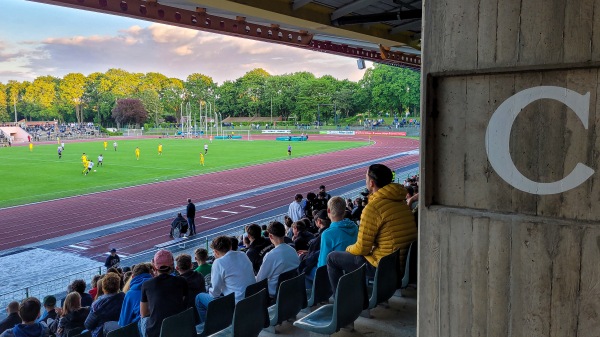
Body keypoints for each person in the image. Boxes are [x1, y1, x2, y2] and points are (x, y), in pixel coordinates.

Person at [327, 164, 418, 293]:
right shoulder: (401, 201)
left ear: (372, 183)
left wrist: (348, 248)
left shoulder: (373, 208)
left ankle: (342, 301)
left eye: (365, 177)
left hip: (385, 266)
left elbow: (362, 248)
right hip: (403, 263)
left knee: (332, 258)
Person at [195, 236, 255, 324]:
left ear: (215, 252)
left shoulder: (218, 263)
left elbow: (215, 293)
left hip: (236, 304)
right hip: (253, 298)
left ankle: (207, 328)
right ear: (230, 247)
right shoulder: (242, 254)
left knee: (199, 297)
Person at [140, 250, 188, 337]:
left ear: (154, 266)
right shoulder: (182, 281)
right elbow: (181, 301)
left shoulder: (147, 285)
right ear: (172, 265)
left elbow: (143, 313)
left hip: (157, 333)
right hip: (179, 327)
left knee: (142, 321)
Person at [256, 221, 300, 298]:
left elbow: (259, 279)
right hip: (294, 290)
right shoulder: (292, 250)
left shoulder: (270, 256)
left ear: (270, 236)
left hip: (276, 295)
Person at [318, 197, 358, 269]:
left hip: (338, 274)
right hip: (355, 270)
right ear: (344, 211)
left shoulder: (327, 234)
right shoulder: (354, 227)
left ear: (328, 210)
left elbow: (322, 265)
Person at [84, 272, 125, 337]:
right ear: (118, 285)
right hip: (122, 331)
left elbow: (88, 325)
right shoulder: (124, 297)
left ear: (103, 287)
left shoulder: (96, 304)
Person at [118, 263, 153, 327]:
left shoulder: (130, 294)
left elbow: (123, 322)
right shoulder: (156, 285)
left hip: (142, 329)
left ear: (133, 277)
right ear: (149, 274)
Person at [175, 254, 206, 324]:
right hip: (204, 312)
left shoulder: (178, 283)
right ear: (191, 265)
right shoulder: (199, 275)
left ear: (177, 268)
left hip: (189, 317)